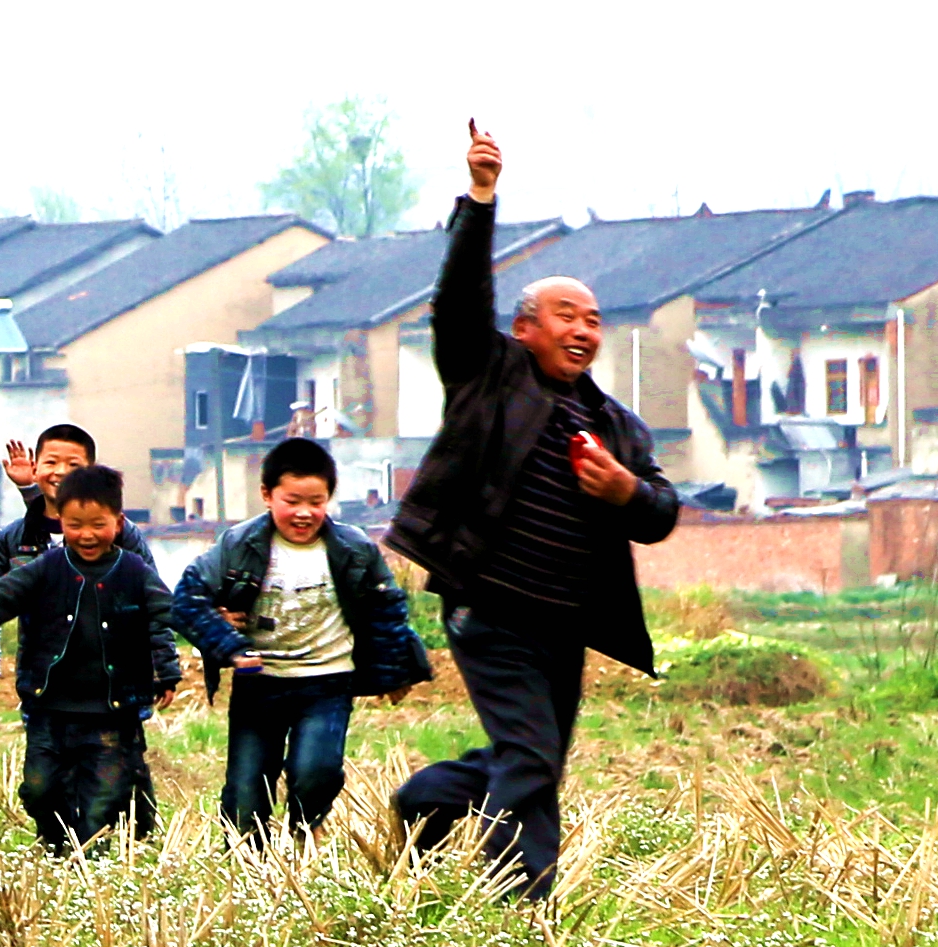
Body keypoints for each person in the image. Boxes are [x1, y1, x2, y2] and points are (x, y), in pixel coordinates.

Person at [385, 120, 681, 904]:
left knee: (533, 757)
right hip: (490, 609)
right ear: (522, 329)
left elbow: (659, 511)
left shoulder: (616, 426)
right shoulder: (490, 378)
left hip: (564, 622)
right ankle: (519, 906)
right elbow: (456, 303)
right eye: (564, 315)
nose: (582, 329)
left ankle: (430, 798)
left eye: (591, 319)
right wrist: (480, 199)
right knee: (529, 759)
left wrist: (626, 492)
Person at [172, 436, 431, 841]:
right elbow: (187, 599)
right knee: (244, 795)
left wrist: (396, 671)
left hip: (328, 682)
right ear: (267, 495)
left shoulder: (355, 549)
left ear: (330, 498)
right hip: (259, 682)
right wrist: (227, 641)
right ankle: (246, 867)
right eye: (292, 501)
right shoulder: (237, 546)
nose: (304, 513)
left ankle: (302, 836)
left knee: (316, 773)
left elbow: (386, 610)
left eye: (316, 501)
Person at [0, 464, 181, 850]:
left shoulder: (134, 572)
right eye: (75, 524)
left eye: (97, 524)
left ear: (118, 523)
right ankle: (57, 846)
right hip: (49, 707)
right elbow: (2, 591)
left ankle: (92, 861)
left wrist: (166, 672)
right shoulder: (47, 568)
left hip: (111, 709)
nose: (86, 535)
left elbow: (164, 617)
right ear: (61, 523)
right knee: (40, 789)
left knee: (103, 800)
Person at [0, 424, 99, 825]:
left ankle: (97, 847)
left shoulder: (114, 532)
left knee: (103, 775)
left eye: (72, 464)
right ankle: (58, 843)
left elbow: (149, 595)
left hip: (105, 681)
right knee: (42, 784)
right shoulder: (15, 539)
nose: (60, 471)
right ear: (37, 467)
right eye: (51, 462)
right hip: (43, 680)